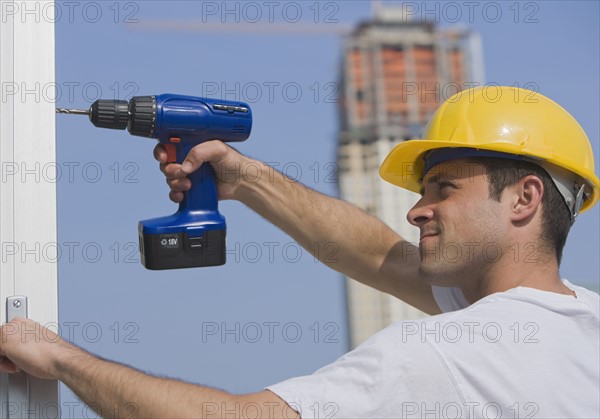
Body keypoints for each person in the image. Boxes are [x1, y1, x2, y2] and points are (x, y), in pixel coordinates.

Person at [1, 86, 598, 418]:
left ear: (524, 198)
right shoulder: (581, 327)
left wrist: (59, 359)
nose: (417, 211)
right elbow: (382, 258)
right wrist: (246, 179)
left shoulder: (447, 355)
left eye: (443, 189)